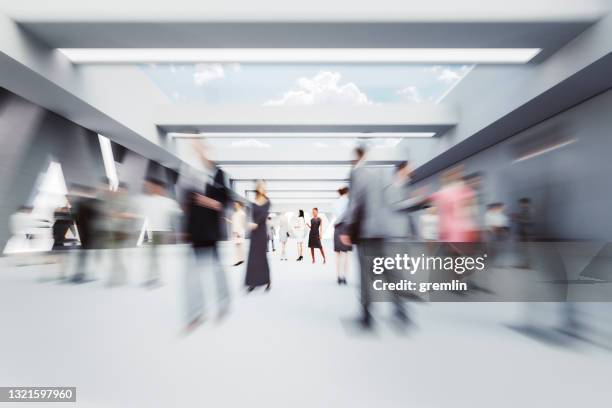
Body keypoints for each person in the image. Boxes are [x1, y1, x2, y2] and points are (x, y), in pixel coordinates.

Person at [340, 146, 408, 329]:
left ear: (356, 157)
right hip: (383, 231)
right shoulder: (380, 174)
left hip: (366, 232)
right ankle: (401, 313)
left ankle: (367, 318)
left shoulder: (356, 174)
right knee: (389, 272)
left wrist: (347, 229)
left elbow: (354, 204)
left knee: (365, 276)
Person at [183, 141, 231, 330]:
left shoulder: (219, 175)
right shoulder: (190, 172)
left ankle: (223, 303)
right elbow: (186, 202)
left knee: (217, 271)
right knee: (191, 275)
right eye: (196, 148)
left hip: (210, 231)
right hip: (195, 230)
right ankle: (195, 314)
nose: (199, 151)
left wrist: (203, 200)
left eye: (201, 147)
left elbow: (222, 204)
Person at [138, 178, 182, 288]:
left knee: (157, 256)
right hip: (147, 231)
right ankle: (150, 277)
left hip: (161, 232)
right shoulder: (144, 200)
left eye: (152, 186)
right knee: (149, 256)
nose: (150, 188)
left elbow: (179, 213)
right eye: (148, 186)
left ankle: (157, 277)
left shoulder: (167, 202)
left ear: (160, 188)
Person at [245, 180, 271, 292]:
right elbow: (251, 215)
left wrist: (256, 223)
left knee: (262, 257)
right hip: (254, 233)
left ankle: (267, 280)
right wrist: (250, 223)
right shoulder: (253, 201)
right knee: (252, 257)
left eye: (263, 185)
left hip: (261, 232)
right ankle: (252, 282)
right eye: (259, 185)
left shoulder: (267, 201)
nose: (261, 187)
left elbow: (264, 215)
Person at [333, 187, 351, 284]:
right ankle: (344, 277)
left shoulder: (335, 203)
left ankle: (338, 276)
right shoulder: (349, 202)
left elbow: (337, 215)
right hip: (346, 228)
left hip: (337, 228)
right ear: (347, 192)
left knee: (338, 254)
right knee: (346, 254)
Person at [229, 201, 246, 266]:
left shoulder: (242, 213)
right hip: (235, 231)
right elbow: (234, 222)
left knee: (238, 246)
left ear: (240, 205)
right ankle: (241, 259)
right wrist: (228, 221)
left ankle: (238, 260)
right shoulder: (236, 213)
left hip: (239, 232)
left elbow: (242, 224)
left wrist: (239, 232)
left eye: (236, 204)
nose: (234, 205)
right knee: (238, 246)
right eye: (234, 204)